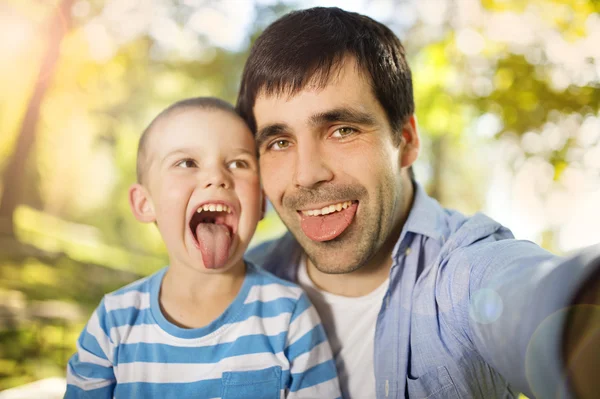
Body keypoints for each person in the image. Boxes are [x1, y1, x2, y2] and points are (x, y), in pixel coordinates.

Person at [239, 7, 600, 399]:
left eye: (342, 130)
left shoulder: (465, 269)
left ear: (406, 140)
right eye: (279, 142)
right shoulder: (243, 285)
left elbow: (539, 298)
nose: (306, 174)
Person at [64, 97, 341, 398]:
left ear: (261, 202)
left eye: (238, 163)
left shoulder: (289, 316)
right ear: (145, 203)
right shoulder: (113, 322)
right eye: (187, 163)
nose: (217, 178)